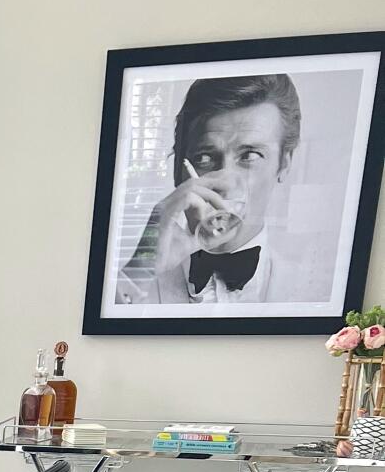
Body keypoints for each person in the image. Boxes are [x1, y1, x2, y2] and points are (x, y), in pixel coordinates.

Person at [116, 72, 322, 305]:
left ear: (284, 163)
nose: (224, 183)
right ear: (179, 169)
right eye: (205, 158)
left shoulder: (313, 290)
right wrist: (141, 269)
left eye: (250, 156)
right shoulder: (129, 287)